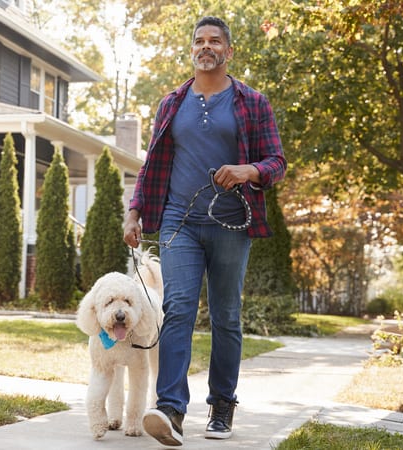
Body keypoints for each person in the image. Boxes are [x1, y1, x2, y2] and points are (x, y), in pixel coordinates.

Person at [123, 16, 287, 445]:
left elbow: (276, 162)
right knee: (177, 307)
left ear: (228, 51)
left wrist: (248, 169)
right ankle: (171, 409)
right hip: (179, 219)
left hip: (231, 221)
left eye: (215, 41)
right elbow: (151, 165)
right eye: (199, 40)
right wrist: (134, 212)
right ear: (192, 49)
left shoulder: (252, 102)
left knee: (226, 315)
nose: (206, 46)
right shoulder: (171, 103)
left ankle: (222, 404)